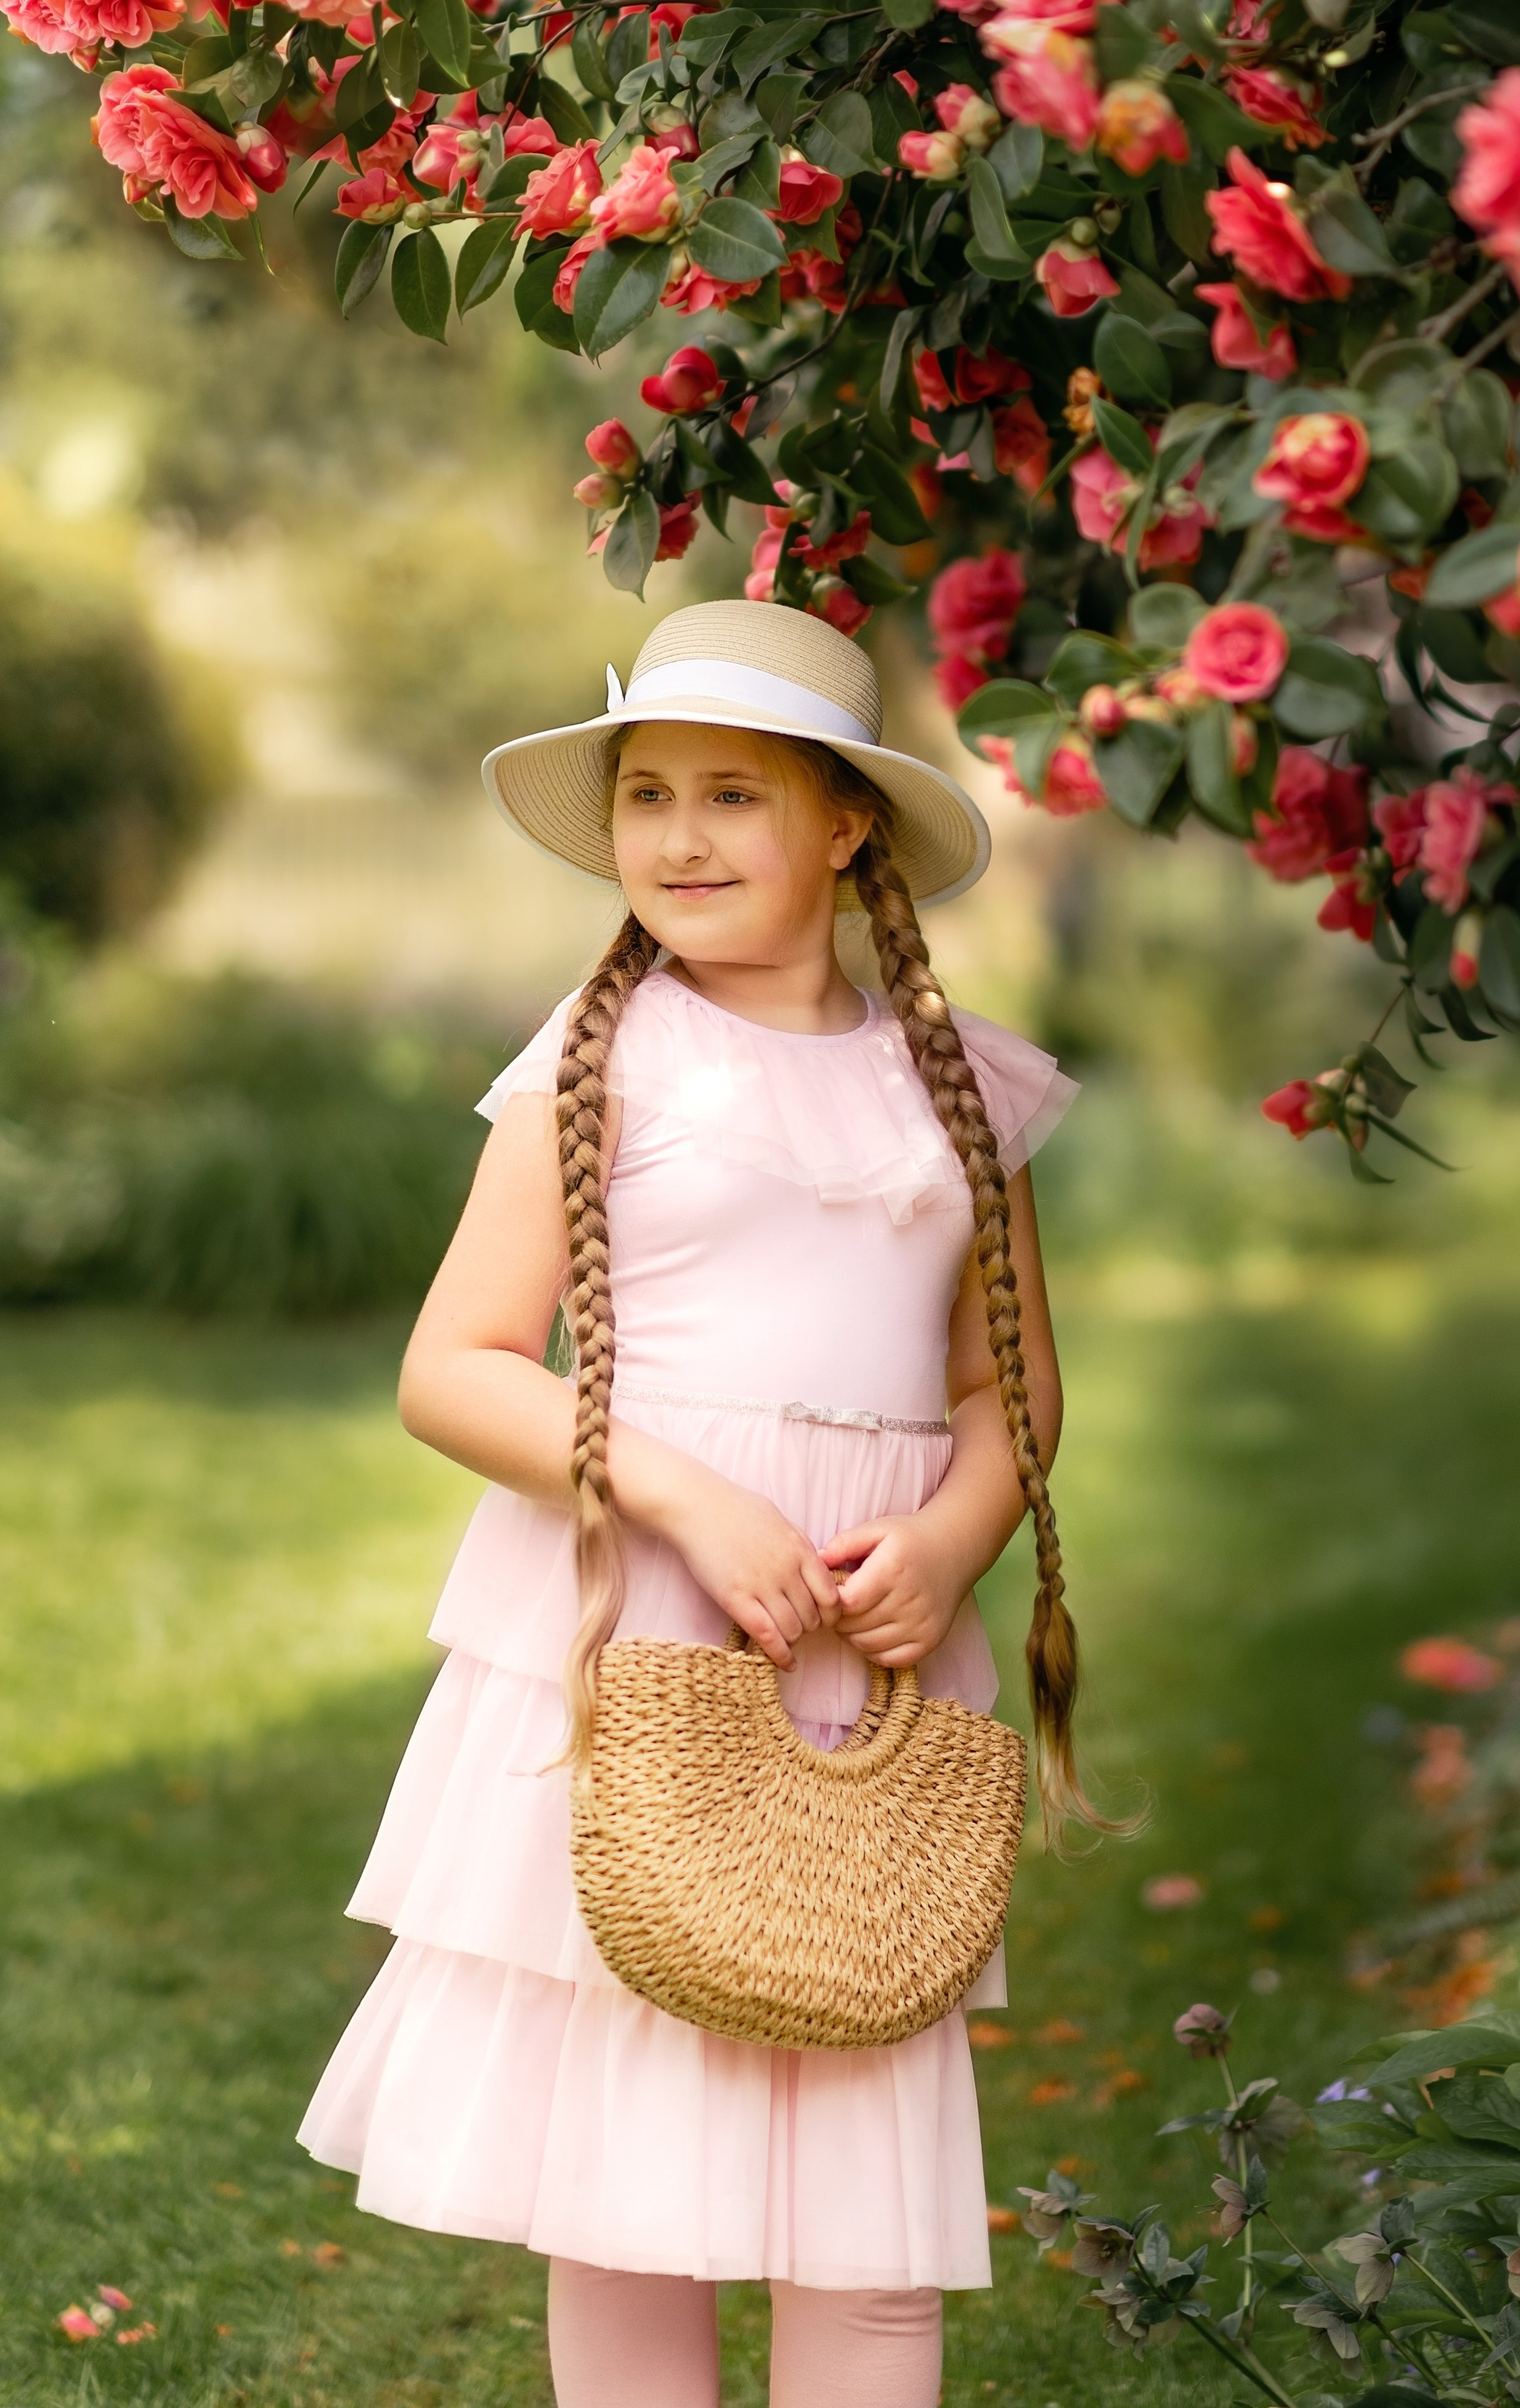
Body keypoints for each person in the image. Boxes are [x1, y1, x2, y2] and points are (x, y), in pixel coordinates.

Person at [298, 599, 1098, 2407]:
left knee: (870, 2186)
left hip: (864, 1645)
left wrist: (955, 1536)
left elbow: (1011, 1383)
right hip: (644, 1622)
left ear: (847, 824)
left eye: (734, 794)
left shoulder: (958, 1087)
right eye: (646, 794)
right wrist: (687, 1501)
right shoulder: (601, 1063)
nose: (678, 836)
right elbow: (458, 1364)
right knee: (630, 2185)